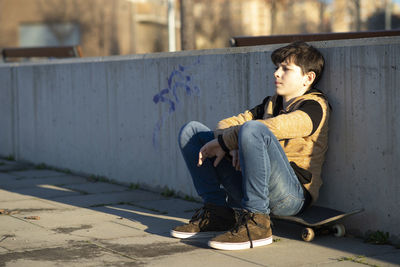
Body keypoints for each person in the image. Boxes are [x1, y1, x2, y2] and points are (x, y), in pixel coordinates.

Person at [171, 41, 330, 251]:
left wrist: (232, 139)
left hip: (291, 195)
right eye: (277, 68)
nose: (277, 74)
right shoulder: (270, 104)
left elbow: (272, 128)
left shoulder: (315, 107)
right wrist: (233, 145)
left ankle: (258, 224)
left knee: (253, 129)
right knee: (191, 131)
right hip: (252, 186)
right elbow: (225, 124)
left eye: (286, 69)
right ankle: (218, 212)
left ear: (308, 78)